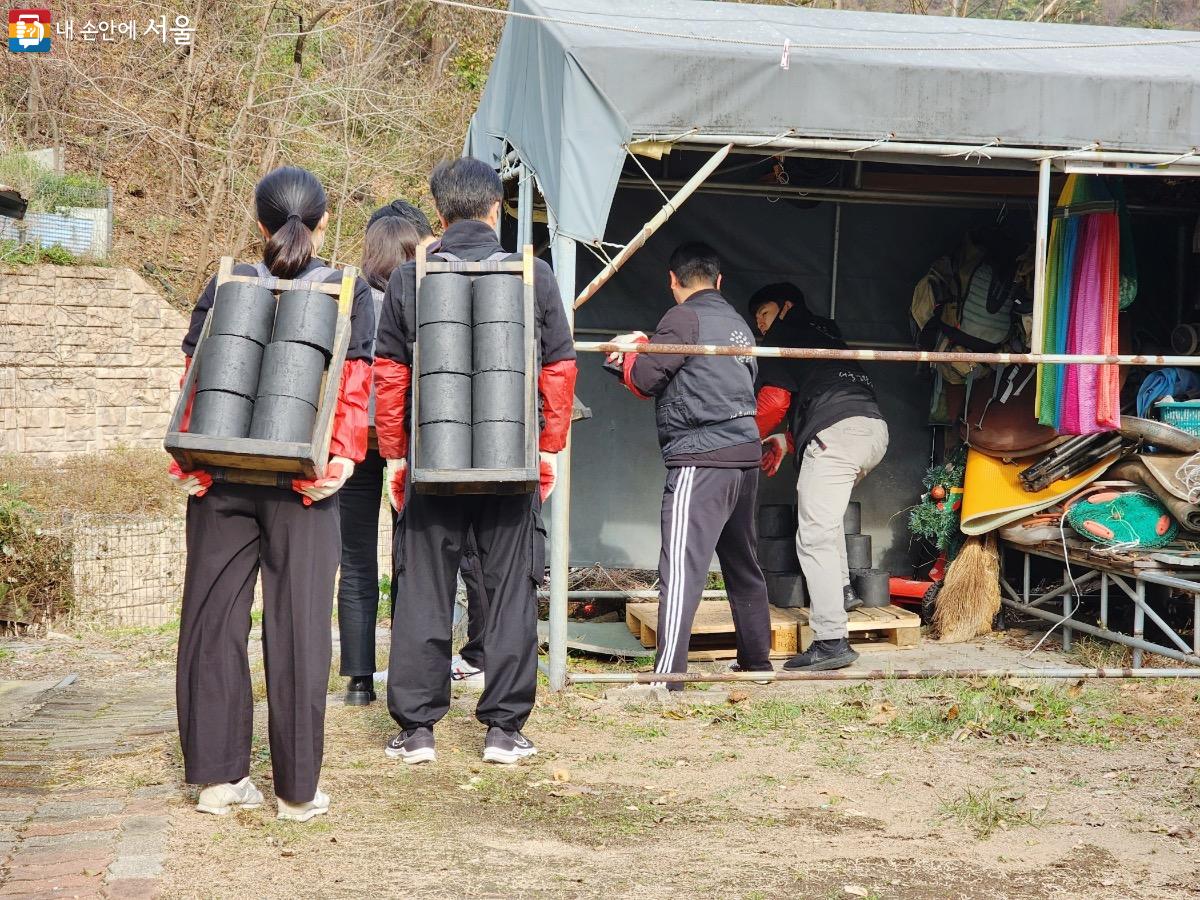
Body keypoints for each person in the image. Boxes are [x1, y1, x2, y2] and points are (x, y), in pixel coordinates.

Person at [169, 166, 375, 820]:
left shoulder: (226, 283)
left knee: (212, 621)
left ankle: (217, 781)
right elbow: (356, 379)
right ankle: (297, 792)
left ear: (259, 225)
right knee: (299, 629)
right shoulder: (348, 290)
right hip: (303, 486)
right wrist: (342, 456)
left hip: (220, 475)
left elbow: (196, 375)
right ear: (322, 224)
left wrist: (190, 464)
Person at [374, 157, 577, 765]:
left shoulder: (411, 277)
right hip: (509, 461)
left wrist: (394, 456)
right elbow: (559, 369)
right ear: (496, 210)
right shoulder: (531, 272)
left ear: (438, 214)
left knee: (423, 590)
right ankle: (504, 731)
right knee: (510, 589)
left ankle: (417, 731)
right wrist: (549, 449)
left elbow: (391, 376)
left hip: (430, 464)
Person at [338, 204, 489, 705]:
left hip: (357, 440)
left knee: (356, 559)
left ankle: (359, 679)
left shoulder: (351, 297)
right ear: (411, 247)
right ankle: (412, 663)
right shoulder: (420, 292)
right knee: (412, 555)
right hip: (411, 440)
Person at [610, 242, 774, 690]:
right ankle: (757, 662)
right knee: (743, 564)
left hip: (702, 457)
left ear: (673, 281)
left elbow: (647, 378)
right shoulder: (740, 326)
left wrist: (627, 352)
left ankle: (668, 677)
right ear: (720, 281)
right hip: (745, 454)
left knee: (681, 567)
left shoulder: (683, 317)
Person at [751, 282, 889, 672]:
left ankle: (831, 641)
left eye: (764, 314)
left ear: (786, 306)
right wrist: (785, 440)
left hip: (838, 436)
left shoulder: (785, 333)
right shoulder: (827, 333)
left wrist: (741, 436)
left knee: (812, 534)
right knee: (825, 526)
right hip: (871, 430)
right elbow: (825, 399)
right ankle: (842, 591)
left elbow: (776, 399)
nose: (761, 326)